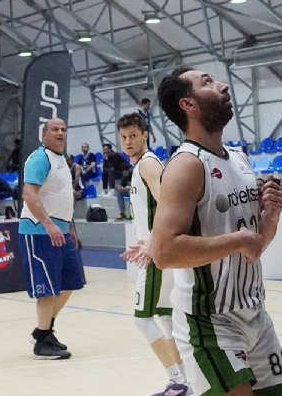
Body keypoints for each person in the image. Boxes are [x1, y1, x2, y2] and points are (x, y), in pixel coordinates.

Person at [152, 68, 282, 396]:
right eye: (208, 83)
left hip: (255, 315)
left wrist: (270, 219)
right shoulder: (186, 165)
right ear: (188, 104)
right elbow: (164, 252)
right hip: (209, 319)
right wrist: (237, 239)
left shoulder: (240, 159)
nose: (223, 86)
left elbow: (254, 247)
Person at [117, 113, 192, 396]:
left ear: (145, 135)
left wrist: (152, 242)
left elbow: (168, 204)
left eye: (133, 136)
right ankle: (186, 382)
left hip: (158, 252)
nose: (128, 142)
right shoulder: (141, 166)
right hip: (158, 248)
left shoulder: (148, 164)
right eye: (123, 137)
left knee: (143, 318)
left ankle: (178, 380)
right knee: (167, 318)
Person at [19, 117, 85, 359]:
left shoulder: (61, 160)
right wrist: (49, 225)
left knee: (70, 283)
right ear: (44, 135)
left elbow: (62, 198)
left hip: (61, 231)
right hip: (39, 232)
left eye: (63, 130)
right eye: (54, 129)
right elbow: (29, 195)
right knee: (47, 290)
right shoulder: (40, 158)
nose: (60, 133)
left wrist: (69, 228)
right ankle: (43, 342)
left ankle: (42, 331)